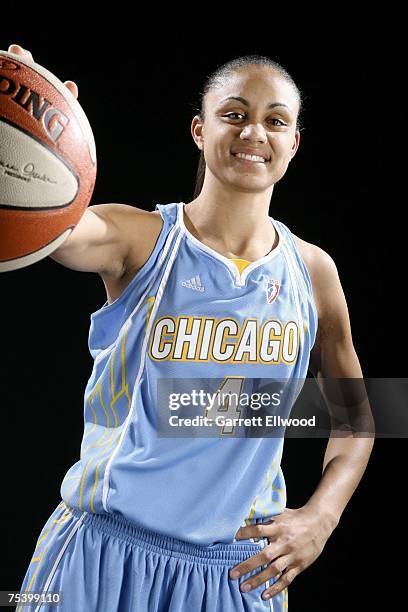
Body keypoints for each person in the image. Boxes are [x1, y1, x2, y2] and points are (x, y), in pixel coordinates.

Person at [10, 43, 374, 612]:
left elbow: (356, 418)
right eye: (234, 114)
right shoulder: (141, 239)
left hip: (236, 572)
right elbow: (56, 228)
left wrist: (320, 518)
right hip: (106, 551)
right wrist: (28, 146)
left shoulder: (312, 272)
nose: (254, 132)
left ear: (293, 143)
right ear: (200, 131)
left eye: (274, 120)